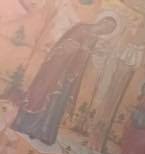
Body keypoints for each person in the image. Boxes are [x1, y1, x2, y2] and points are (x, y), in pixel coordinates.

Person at [12, 17, 118, 145]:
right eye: (108, 27)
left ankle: (44, 132)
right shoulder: (82, 28)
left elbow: (83, 58)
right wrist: (84, 48)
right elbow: (66, 45)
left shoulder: (95, 39)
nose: (107, 31)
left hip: (70, 75)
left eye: (110, 30)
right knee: (42, 95)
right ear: (103, 22)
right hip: (57, 69)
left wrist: (91, 53)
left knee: (58, 103)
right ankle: (27, 126)